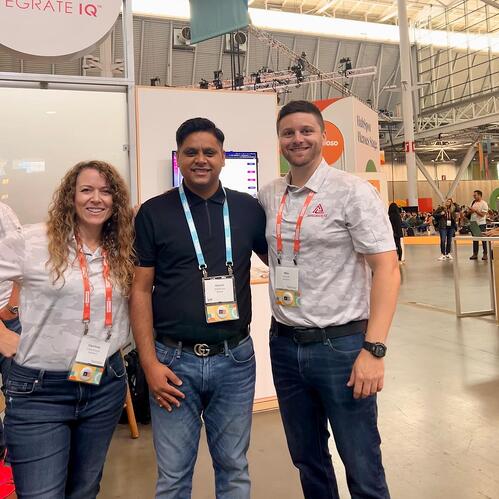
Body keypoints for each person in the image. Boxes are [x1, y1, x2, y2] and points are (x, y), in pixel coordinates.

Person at [258, 100, 400, 499]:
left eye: (306, 131)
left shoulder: (352, 191)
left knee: (361, 462)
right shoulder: (269, 194)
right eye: (288, 132)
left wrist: (374, 349)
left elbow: (388, 270)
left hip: (342, 347)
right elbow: (275, 252)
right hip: (285, 346)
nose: (297, 139)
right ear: (279, 140)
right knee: (308, 460)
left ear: (323, 136)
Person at [130, 117, 268, 499]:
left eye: (210, 151)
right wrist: (149, 364)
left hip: (235, 361)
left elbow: (283, 260)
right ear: (179, 157)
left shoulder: (248, 209)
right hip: (172, 364)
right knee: (173, 476)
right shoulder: (154, 213)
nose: (201, 159)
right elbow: (139, 291)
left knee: (234, 469)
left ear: (223, 157)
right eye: (191, 152)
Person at [0, 160, 134, 498]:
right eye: (86, 190)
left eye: (106, 191)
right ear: (70, 197)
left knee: (84, 490)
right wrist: (1, 334)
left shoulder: (122, 246)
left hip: (104, 384)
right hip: (40, 392)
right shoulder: (33, 241)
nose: (96, 199)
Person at [468, 190, 489, 260]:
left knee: (483, 239)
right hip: (473, 223)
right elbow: (470, 212)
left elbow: (482, 215)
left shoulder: (484, 204)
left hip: (481, 223)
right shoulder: (473, 202)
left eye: (475, 195)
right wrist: (470, 211)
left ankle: (485, 254)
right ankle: (475, 253)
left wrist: (475, 211)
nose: (474, 196)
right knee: (475, 239)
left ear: (479, 195)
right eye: (473, 195)